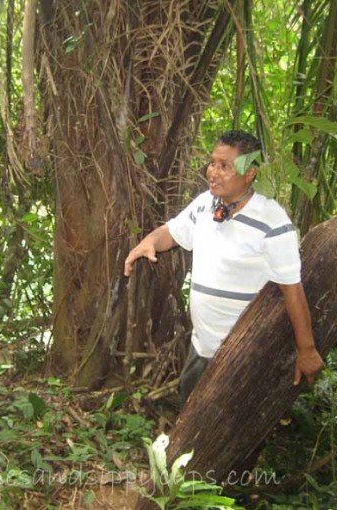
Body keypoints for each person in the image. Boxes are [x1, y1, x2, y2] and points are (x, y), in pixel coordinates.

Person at [123, 130, 324, 405]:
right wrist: (148, 242)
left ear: (250, 173)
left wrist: (307, 349)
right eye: (213, 163)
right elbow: (172, 232)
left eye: (225, 166)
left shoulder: (273, 222)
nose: (213, 173)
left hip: (244, 353)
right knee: (189, 422)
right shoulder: (206, 204)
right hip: (201, 347)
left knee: (230, 433)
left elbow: (292, 290)